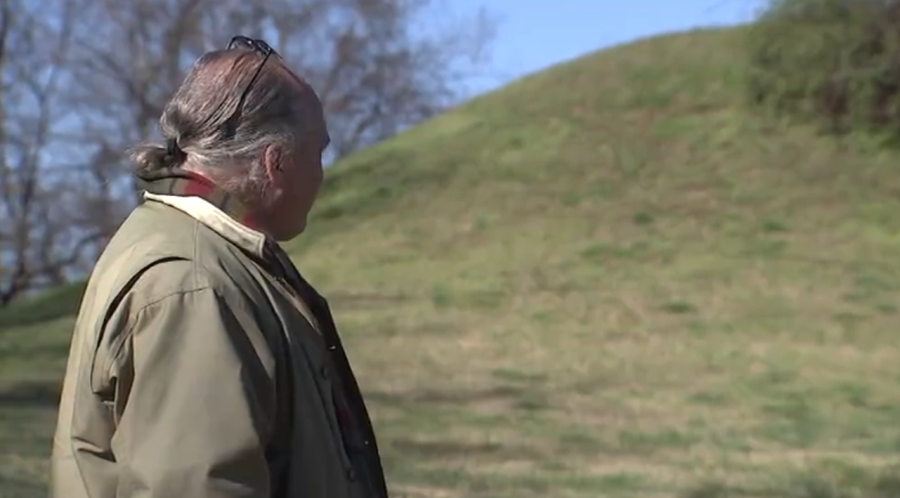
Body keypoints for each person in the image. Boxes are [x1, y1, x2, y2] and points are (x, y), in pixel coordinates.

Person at [49, 35, 388, 498]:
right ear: (277, 163)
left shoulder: (198, 253)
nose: (322, 174)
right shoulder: (195, 284)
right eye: (318, 153)